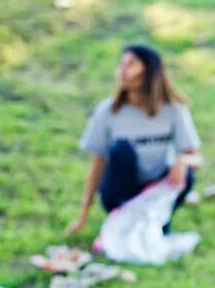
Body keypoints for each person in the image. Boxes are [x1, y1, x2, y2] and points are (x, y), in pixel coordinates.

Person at [66, 45, 200, 236]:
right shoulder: (109, 111)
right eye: (121, 64)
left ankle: (159, 220)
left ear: (149, 71)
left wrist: (183, 160)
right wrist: (83, 216)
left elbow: (196, 158)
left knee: (186, 173)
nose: (122, 70)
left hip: (155, 189)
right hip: (120, 191)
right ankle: (125, 219)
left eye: (130, 64)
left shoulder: (173, 110)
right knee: (122, 150)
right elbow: (98, 164)